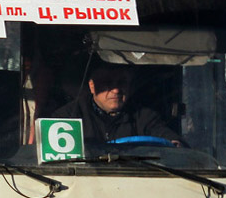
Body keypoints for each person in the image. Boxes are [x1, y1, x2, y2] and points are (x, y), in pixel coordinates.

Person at [52, 62, 180, 145]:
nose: (116, 90)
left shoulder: (143, 116)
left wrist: (175, 143)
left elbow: (167, 137)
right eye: (107, 83)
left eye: (122, 82)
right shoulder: (66, 117)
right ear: (92, 86)